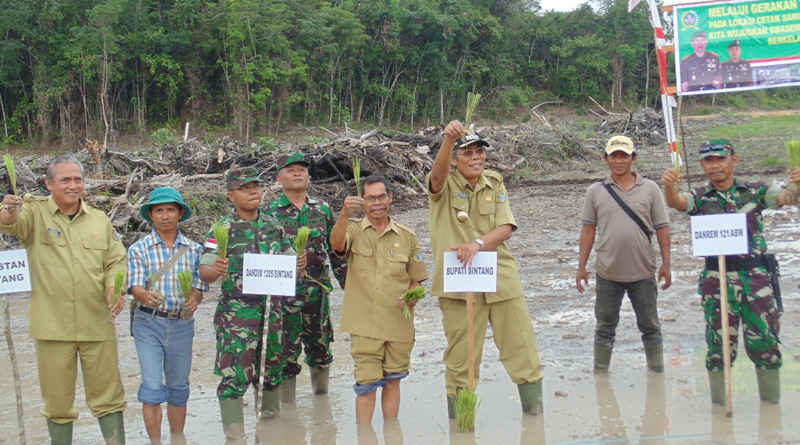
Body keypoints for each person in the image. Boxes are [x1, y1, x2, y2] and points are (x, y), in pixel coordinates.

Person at [0, 154, 127, 444]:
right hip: (53, 326)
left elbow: (115, 261)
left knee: (109, 397)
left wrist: (115, 287)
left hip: (98, 322)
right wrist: (8, 208)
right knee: (57, 403)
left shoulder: (99, 219)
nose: (73, 185)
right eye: (65, 180)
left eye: (78, 179)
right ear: (48, 184)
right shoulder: (34, 212)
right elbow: (10, 223)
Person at [662, 139, 800, 404]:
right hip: (717, 283)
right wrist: (670, 185)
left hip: (756, 280)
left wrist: (796, 185)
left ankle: (770, 410)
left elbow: (785, 198)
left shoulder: (755, 191)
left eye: (720, 159)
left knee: (765, 344)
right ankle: (720, 407)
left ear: (734, 160)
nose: (714, 165)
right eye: (708, 160)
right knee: (720, 347)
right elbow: (678, 202)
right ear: (702, 164)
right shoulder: (700, 196)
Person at [427, 121, 544, 418]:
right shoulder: (445, 183)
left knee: (522, 347)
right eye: (467, 152)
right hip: (459, 281)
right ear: (455, 159)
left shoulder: (494, 181)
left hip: (500, 275)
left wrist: (477, 244)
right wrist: (448, 140)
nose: (476, 157)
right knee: (461, 359)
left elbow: (506, 227)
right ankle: (461, 426)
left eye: (479, 151)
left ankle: (534, 419)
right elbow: (436, 177)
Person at [198, 167, 305, 439]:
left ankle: (270, 433)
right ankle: (235, 437)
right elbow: (205, 270)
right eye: (245, 188)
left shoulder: (273, 226)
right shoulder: (221, 229)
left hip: (272, 314)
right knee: (234, 377)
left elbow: (289, 260)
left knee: (271, 374)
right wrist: (215, 269)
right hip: (237, 318)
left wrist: (298, 264)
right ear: (231, 196)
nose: (253, 192)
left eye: (256, 186)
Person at [329, 176, 428, 424]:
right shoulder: (352, 230)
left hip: (398, 324)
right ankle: (365, 435)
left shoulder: (407, 236)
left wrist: (412, 296)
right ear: (363, 201)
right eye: (370, 198)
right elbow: (336, 245)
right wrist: (344, 214)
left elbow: (417, 279)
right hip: (364, 326)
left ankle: (392, 433)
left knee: (394, 381)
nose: (377, 203)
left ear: (390, 198)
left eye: (382, 197)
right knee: (366, 384)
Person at [576, 136, 672, 373]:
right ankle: (600, 374)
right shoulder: (595, 191)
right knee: (604, 328)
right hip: (607, 273)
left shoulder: (650, 189)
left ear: (633, 159)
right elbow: (588, 231)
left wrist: (667, 264)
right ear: (606, 159)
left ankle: (657, 373)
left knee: (650, 327)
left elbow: (662, 228)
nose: (619, 160)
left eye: (624, 155)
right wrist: (581, 267)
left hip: (643, 272)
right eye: (614, 155)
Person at [263, 153, 347, 403]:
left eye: (302, 169)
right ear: (280, 179)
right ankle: (288, 406)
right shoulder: (268, 212)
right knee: (286, 353)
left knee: (321, 348)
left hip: (317, 293)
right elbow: (259, 254)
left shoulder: (321, 208)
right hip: (283, 296)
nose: (297, 173)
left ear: (309, 177)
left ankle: (321, 401)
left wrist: (349, 286)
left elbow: (335, 249)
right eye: (291, 170)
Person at [127, 187, 208, 444]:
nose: (165, 216)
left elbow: (199, 288)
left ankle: (177, 438)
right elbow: (135, 287)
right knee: (152, 387)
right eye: (159, 210)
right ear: (150, 215)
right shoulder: (139, 249)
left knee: (178, 387)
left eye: (170, 210)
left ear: (180, 214)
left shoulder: (195, 250)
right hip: (148, 322)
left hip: (182, 323)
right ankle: (155, 442)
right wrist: (144, 295)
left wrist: (195, 299)